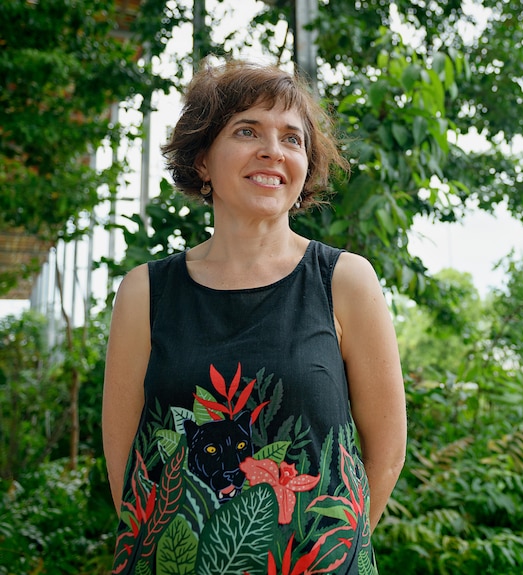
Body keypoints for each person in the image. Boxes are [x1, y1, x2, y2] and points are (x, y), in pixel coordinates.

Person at [102, 59, 407, 575]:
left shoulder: (346, 281)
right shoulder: (145, 292)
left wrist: (325, 556)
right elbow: (126, 468)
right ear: (202, 160)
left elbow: (386, 452)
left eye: (293, 139)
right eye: (247, 131)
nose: (273, 150)